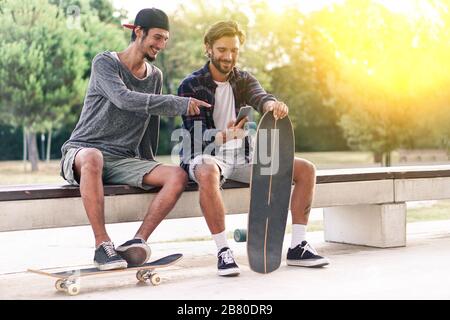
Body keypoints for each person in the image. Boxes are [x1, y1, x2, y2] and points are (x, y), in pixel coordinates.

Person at [60, 8, 210, 271]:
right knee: (94, 156)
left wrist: (148, 163)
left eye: (165, 39)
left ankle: (137, 242)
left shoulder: (155, 76)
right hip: (83, 152)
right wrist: (180, 104)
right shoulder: (105, 63)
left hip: (123, 160)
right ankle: (102, 246)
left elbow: (150, 118)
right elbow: (124, 99)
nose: (161, 45)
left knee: (177, 175)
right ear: (138, 32)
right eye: (157, 37)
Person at [178, 21, 329, 276]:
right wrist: (223, 136)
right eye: (222, 50)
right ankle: (223, 251)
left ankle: (298, 246)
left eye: (234, 50)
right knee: (207, 172)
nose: (228, 57)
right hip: (207, 154)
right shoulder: (190, 85)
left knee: (306, 170)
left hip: (244, 155)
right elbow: (195, 136)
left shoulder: (243, 79)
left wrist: (272, 105)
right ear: (208, 49)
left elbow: (261, 96)